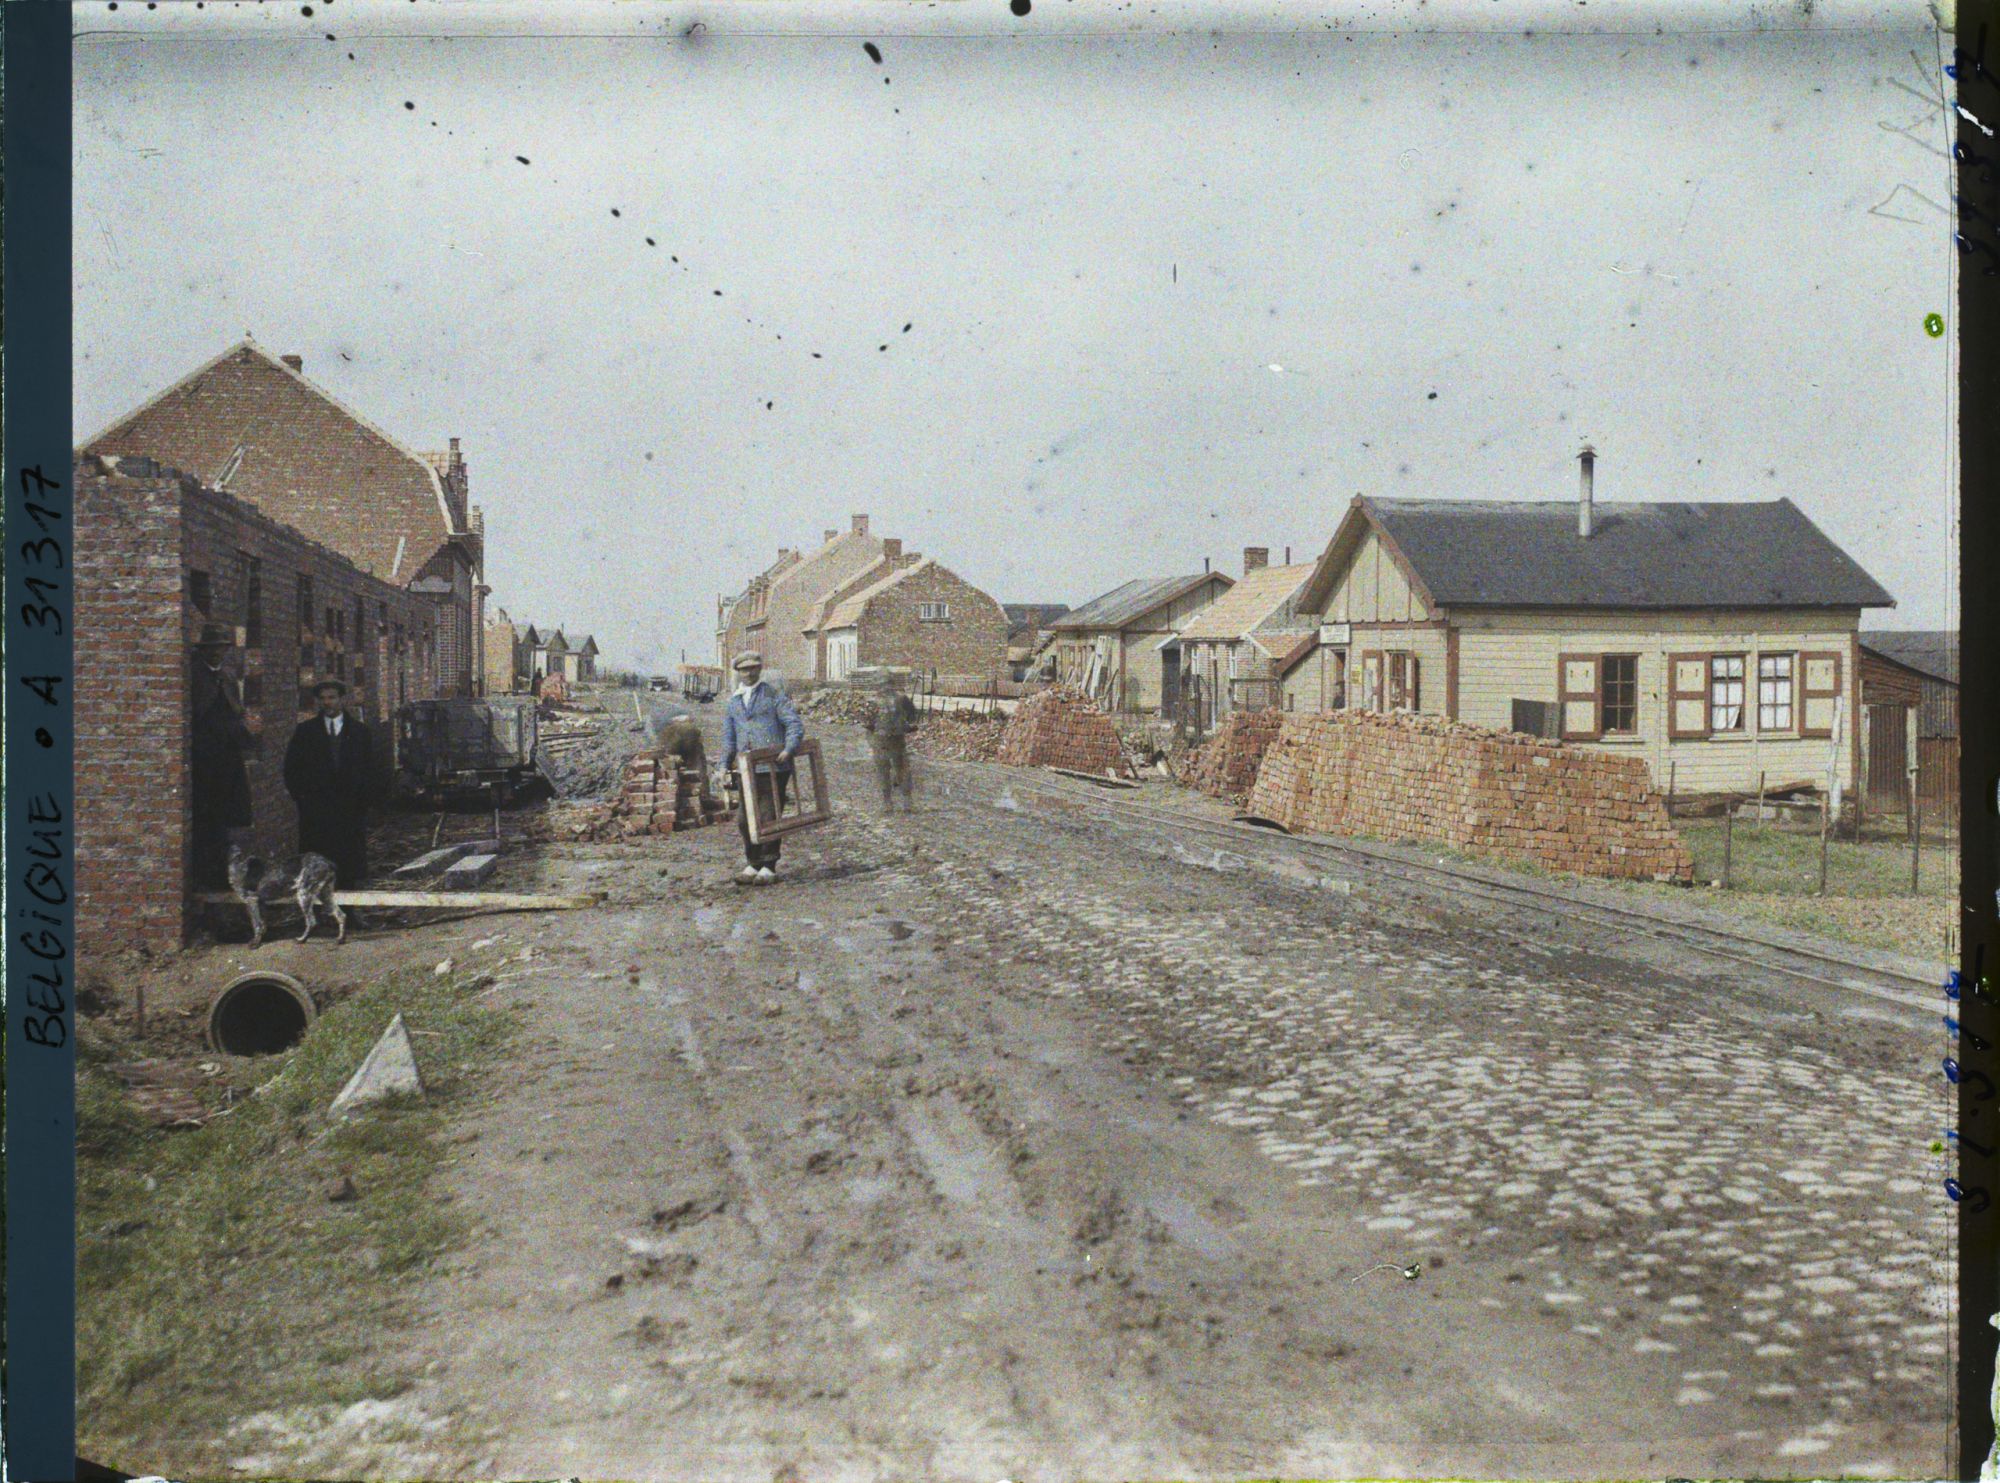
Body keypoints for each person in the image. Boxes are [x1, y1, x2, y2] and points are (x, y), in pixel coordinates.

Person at [719, 651, 804, 885]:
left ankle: (768, 865)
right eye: (744, 669)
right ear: (738, 672)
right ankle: (752, 863)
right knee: (744, 820)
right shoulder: (734, 701)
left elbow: (794, 724)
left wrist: (788, 749)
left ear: (759, 669)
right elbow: (729, 738)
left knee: (768, 816)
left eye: (754, 668)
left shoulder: (773, 695)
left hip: (773, 767)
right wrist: (722, 766)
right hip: (746, 769)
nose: (749, 673)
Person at [283, 678, 375, 894]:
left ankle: (348, 911)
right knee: (317, 861)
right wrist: (304, 800)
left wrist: (363, 802)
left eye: (332, 698)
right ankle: (315, 913)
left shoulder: (360, 732)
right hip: (317, 811)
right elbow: (291, 769)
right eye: (322, 699)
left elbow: (371, 770)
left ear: (342, 700)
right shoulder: (305, 732)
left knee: (348, 861)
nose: (327, 703)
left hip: (349, 809)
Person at [190, 622, 259, 889]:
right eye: (212, 649)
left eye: (221, 648)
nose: (217, 653)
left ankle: (225, 879)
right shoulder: (195, 675)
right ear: (204, 650)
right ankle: (208, 879)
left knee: (230, 817)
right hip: (205, 758)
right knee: (208, 819)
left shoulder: (228, 676)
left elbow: (237, 713)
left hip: (228, 758)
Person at [863, 670, 919, 813]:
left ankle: (897, 802)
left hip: (888, 740)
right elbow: (913, 716)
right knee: (895, 771)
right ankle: (898, 802)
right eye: (884, 684)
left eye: (885, 684)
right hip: (889, 740)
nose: (884, 687)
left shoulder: (875, 701)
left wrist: (906, 726)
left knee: (892, 771)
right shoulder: (899, 698)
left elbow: (868, 722)